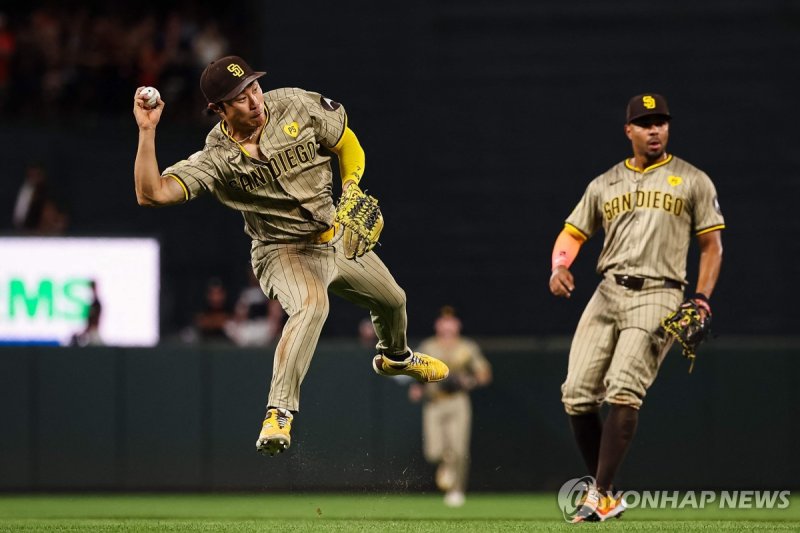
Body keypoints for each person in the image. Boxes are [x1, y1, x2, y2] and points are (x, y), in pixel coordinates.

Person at [132, 55, 449, 457]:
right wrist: (147, 132)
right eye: (239, 97)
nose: (253, 99)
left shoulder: (294, 104)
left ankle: (395, 357)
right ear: (219, 110)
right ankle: (279, 412)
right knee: (312, 305)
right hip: (282, 250)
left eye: (252, 87)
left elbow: (345, 141)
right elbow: (152, 194)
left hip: (335, 235)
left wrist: (350, 187)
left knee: (394, 300)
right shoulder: (215, 157)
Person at [548, 93, 724, 522]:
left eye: (661, 122)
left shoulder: (692, 179)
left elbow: (711, 246)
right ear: (629, 131)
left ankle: (600, 494)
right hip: (607, 291)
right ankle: (607, 494)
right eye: (645, 123)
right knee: (576, 394)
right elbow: (573, 232)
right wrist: (559, 266)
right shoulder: (604, 183)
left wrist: (700, 298)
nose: (655, 130)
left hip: (660, 293)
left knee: (624, 387)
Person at [408, 306, 491, 507]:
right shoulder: (429, 346)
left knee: (460, 448)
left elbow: (484, 374)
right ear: (437, 325)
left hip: (457, 401)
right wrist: (417, 387)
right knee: (433, 452)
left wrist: (470, 380)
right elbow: (418, 371)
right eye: (443, 321)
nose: (447, 325)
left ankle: (456, 490)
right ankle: (446, 463)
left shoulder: (466, 347)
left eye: (451, 321)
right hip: (434, 401)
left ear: (457, 325)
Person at [225, 267, 285, 347]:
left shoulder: (271, 292)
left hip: (264, 327)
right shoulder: (246, 293)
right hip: (248, 328)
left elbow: (276, 316)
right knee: (229, 325)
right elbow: (239, 316)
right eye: (253, 273)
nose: (255, 275)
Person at [193, 277, 234, 343]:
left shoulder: (230, 308)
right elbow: (200, 322)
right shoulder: (203, 308)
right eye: (213, 294)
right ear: (208, 295)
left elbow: (233, 321)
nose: (216, 297)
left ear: (224, 294)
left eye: (218, 293)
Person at [70, 279, 103, 346]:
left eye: (91, 288)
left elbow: (93, 321)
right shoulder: (92, 303)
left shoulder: (96, 304)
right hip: (90, 333)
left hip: (94, 334)